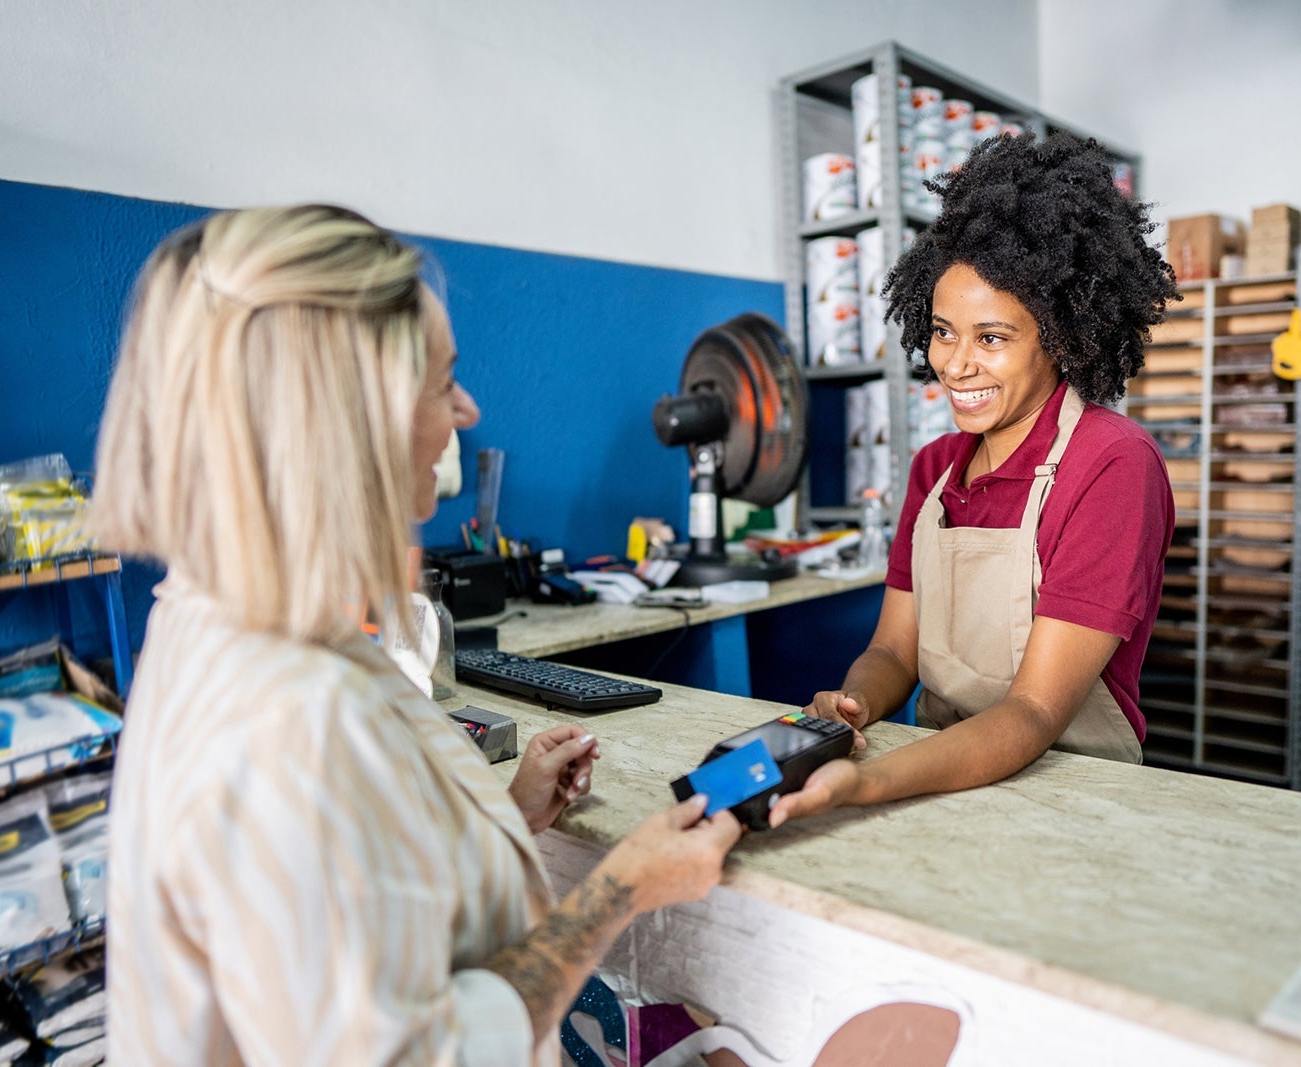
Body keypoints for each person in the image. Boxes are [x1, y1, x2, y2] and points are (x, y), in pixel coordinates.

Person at [93, 204, 741, 1065]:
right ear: (349, 422)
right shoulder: (288, 715)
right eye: (443, 382)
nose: (466, 411)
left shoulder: (227, 617)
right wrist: (620, 890)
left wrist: (506, 812)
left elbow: (352, 906)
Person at [772, 132, 1179, 828]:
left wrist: (865, 784)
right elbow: (894, 649)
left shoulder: (1112, 464)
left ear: (1060, 337)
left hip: (1071, 804)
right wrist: (855, 703)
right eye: (942, 332)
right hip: (940, 782)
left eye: (991, 338)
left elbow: (1035, 709)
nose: (954, 365)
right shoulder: (936, 470)